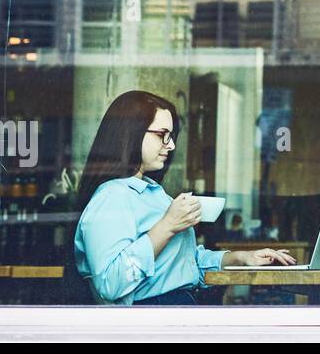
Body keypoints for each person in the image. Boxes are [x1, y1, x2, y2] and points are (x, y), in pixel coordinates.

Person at [74, 90, 295, 305]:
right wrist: (167, 227)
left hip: (177, 308)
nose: (170, 145)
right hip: (148, 318)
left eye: (171, 136)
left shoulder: (153, 192)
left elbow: (184, 265)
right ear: (131, 133)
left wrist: (240, 258)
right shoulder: (112, 197)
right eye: (162, 135)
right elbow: (111, 283)